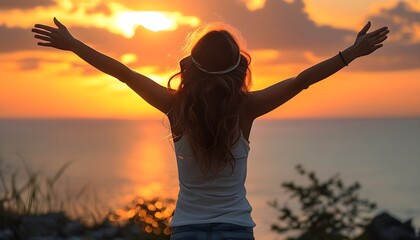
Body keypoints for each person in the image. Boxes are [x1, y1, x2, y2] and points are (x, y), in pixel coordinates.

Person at [32, 17, 389, 240]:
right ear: (238, 67)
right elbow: (302, 81)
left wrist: (74, 44)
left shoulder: (175, 107)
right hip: (235, 229)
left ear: (192, 66)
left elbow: (123, 73)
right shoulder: (246, 108)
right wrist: (351, 53)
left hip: (186, 229)